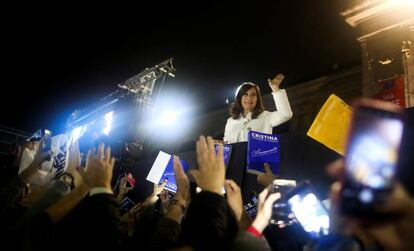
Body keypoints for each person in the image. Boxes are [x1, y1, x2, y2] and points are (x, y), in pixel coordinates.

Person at [223, 73, 293, 143]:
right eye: (245, 94)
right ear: (239, 98)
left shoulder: (266, 116)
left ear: (257, 99)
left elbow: (285, 114)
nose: (249, 97)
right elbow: (227, 144)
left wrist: (275, 89)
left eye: (253, 94)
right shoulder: (230, 122)